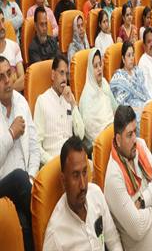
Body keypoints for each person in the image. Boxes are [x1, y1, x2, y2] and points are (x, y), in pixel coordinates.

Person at [104, 105, 152, 251]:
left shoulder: (139, 146)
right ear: (118, 139)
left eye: (135, 131)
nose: (134, 139)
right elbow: (138, 229)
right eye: (129, 135)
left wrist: (143, 202)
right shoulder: (114, 178)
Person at [43, 136, 123, 251]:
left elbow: (114, 241)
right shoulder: (55, 236)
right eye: (75, 175)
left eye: (85, 172)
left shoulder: (96, 194)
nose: (83, 185)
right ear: (63, 181)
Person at [0, 56, 37, 251]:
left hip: (23, 188)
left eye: (9, 73)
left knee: (24, 224)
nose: (7, 81)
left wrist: (31, 177)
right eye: (1, 77)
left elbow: (34, 147)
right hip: (3, 183)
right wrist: (11, 134)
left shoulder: (21, 101)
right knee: (18, 178)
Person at [34, 54, 85, 165]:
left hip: (72, 159)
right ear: (53, 75)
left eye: (66, 74)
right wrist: (52, 163)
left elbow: (81, 135)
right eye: (61, 73)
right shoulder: (42, 101)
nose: (64, 79)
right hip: (53, 161)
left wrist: (73, 104)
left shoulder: (69, 98)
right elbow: (36, 145)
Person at [110, 41, 151, 131]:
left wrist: (147, 104)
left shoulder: (138, 72)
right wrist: (139, 109)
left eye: (133, 55)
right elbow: (120, 105)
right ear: (123, 59)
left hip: (144, 104)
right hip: (131, 111)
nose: (132, 58)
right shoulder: (119, 78)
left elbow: (145, 91)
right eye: (129, 55)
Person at [80, 48, 118, 143]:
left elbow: (115, 107)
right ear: (90, 70)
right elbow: (90, 130)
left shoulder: (104, 83)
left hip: (115, 130)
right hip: (102, 140)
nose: (99, 69)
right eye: (95, 66)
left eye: (100, 64)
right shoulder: (86, 96)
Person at [0, 9, 25, 91]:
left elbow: (22, 81)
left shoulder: (14, 46)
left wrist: (6, 90)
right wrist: (13, 77)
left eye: (3, 21)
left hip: (16, 96)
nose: (2, 26)